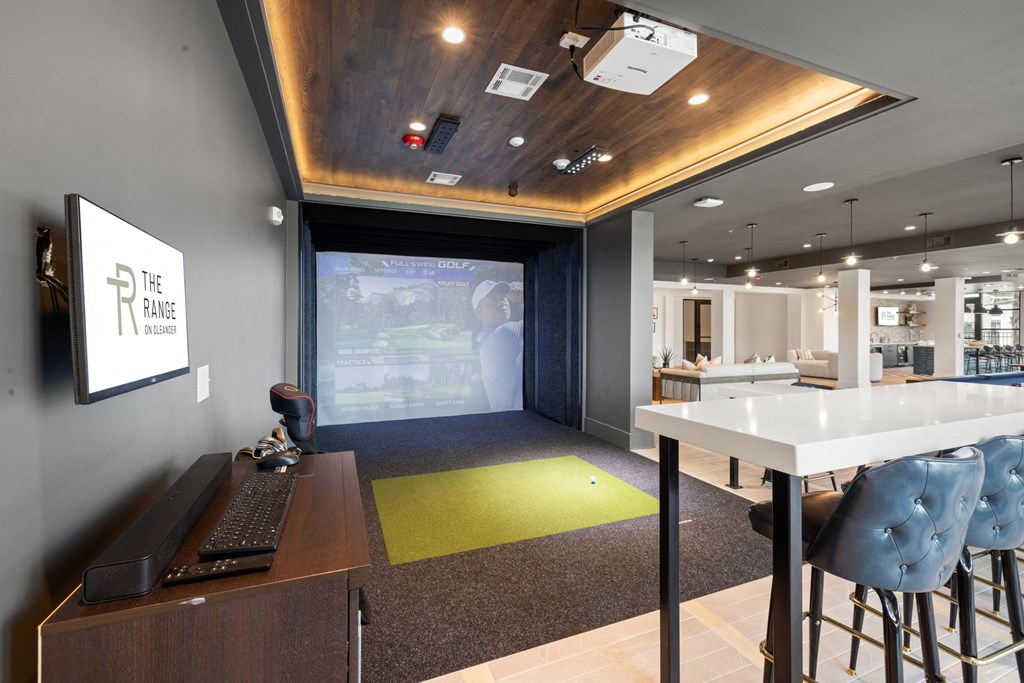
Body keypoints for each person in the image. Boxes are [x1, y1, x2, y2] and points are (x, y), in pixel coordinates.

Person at [471, 280, 523, 411]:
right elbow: (547, 313)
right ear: (478, 312)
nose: (501, 303)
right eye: (492, 301)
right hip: (516, 423)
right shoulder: (501, 335)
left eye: (503, 298)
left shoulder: (488, 339)